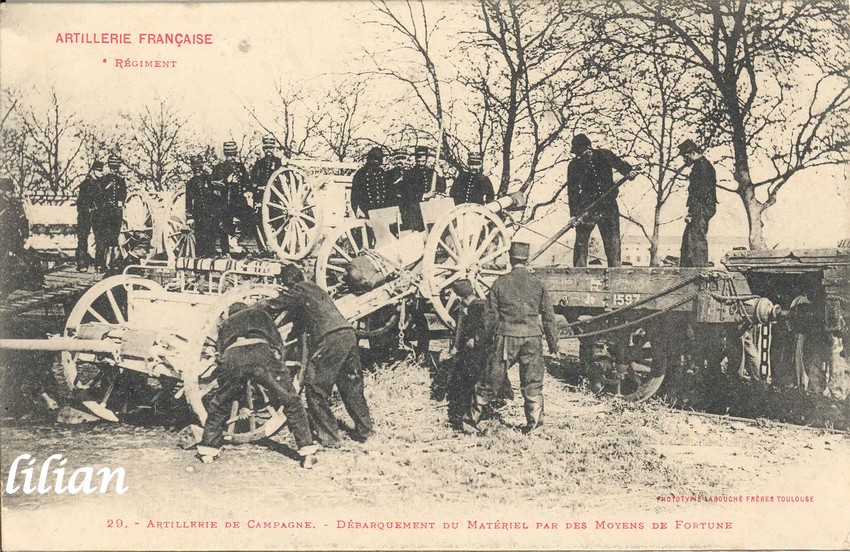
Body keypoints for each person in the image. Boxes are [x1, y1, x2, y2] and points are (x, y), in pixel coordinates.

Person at [196, 302, 318, 468]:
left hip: (233, 355)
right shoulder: (260, 314)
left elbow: (220, 353)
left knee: (220, 403)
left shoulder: (226, 323)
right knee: (290, 400)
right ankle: (307, 451)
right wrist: (278, 373)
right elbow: (278, 344)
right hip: (261, 353)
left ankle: (208, 451)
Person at [262, 264, 373, 447]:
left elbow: (273, 304)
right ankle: (366, 431)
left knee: (314, 388)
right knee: (351, 385)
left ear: (288, 282)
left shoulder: (299, 290)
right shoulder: (316, 289)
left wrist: (253, 309)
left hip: (329, 338)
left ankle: (329, 438)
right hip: (347, 333)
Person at [461, 242, 560, 435]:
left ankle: (470, 421)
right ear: (527, 259)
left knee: (490, 379)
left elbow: (489, 319)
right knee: (532, 382)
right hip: (532, 338)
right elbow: (549, 317)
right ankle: (535, 426)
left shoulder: (500, 283)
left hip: (506, 338)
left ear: (510, 259)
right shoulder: (538, 284)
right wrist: (554, 344)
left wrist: (478, 340)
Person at [566, 134, 637, 267]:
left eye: (580, 152)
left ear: (588, 147)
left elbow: (622, 167)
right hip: (587, 209)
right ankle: (578, 275)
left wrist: (629, 173)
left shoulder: (605, 155)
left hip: (608, 207)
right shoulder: (574, 165)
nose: (579, 156)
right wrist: (574, 215)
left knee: (613, 244)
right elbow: (572, 191)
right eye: (576, 153)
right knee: (581, 244)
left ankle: (615, 274)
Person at [678, 139, 717, 268]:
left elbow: (700, 193)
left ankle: (699, 272)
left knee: (696, 240)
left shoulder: (702, 167)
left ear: (692, 153)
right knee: (688, 241)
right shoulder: (700, 166)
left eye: (686, 156)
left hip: (701, 207)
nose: (685, 160)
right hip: (700, 207)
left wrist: (691, 212)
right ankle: (689, 271)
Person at [186, 156, 229, 257]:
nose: (197, 167)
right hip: (198, 212)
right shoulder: (190, 183)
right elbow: (188, 201)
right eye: (194, 165)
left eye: (199, 164)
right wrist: (190, 217)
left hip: (211, 211)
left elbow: (219, 190)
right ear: (191, 166)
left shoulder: (209, 179)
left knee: (211, 232)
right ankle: (201, 254)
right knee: (200, 233)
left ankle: (211, 253)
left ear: (202, 165)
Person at [211, 141, 248, 251]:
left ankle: (240, 240)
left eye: (233, 154)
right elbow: (213, 185)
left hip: (239, 201)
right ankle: (225, 250)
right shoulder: (219, 168)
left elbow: (247, 182)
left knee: (249, 216)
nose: (231, 157)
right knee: (224, 223)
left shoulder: (240, 167)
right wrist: (228, 181)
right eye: (229, 155)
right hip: (224, 202)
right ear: (225, 154)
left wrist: (247, 190)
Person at [398, 146, 445, 231]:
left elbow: (442, 188)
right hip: (415, 210)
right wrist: (424, 195)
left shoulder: (431, 172)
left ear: (426, 159)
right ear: (416, 159)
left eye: (423, 161)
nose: (421, 163)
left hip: (430, 208)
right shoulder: (409, 174)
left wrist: (440, 174)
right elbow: (407, 193)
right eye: (418, 161)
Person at [248, 136, 282, 251]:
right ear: (263, 149)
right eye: (266, 148)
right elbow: (252, 182)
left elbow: (282, 180)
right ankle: (263, 248)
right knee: (259, 222)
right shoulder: (258, 164)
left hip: (274, 199)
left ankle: (281, 248)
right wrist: (258, 187)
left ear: (274, 149)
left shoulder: (278, 163)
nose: (269, 150)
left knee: (279, 222)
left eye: (271, 148)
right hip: (260, 198)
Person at [93, 154, 126, 272]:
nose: (114, 170)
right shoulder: (103, 180)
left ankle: (111, 263)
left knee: (113, 239)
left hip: (116, 214)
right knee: (102, 240)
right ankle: (99, 264)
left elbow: (123, 196)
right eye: (113, 167)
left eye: (116, 167)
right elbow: (98, 196)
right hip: (104, 214)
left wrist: (119, 206)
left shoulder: (121, 181)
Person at [350, 147, 392, 218]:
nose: (377, 161)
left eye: (378, 159)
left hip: (381, 209)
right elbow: (355, 194)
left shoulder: (381, 172)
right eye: (375, 158)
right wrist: (357, 209)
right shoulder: (361, 173)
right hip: (366, 209)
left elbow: (387, 191)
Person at [75, 161, 102, 270]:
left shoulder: (101, 183)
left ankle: (99, 264)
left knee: (99, 238)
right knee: (82, 238)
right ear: (93, 170)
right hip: (85, 215)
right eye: (99, 171)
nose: (101, 173)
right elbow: (81, 201)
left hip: (97, 215)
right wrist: (88, 208)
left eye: (101, 170)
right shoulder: (85, 184)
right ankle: (82, 264)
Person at [0, 177, 29, 258]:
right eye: (8, 190)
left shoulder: (16, 204)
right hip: (1, 237)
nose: (10, 192)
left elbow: (23, 220)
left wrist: (25, 236)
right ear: (2, 191)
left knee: (28, 256)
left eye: (11, 190)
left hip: (14, 237)